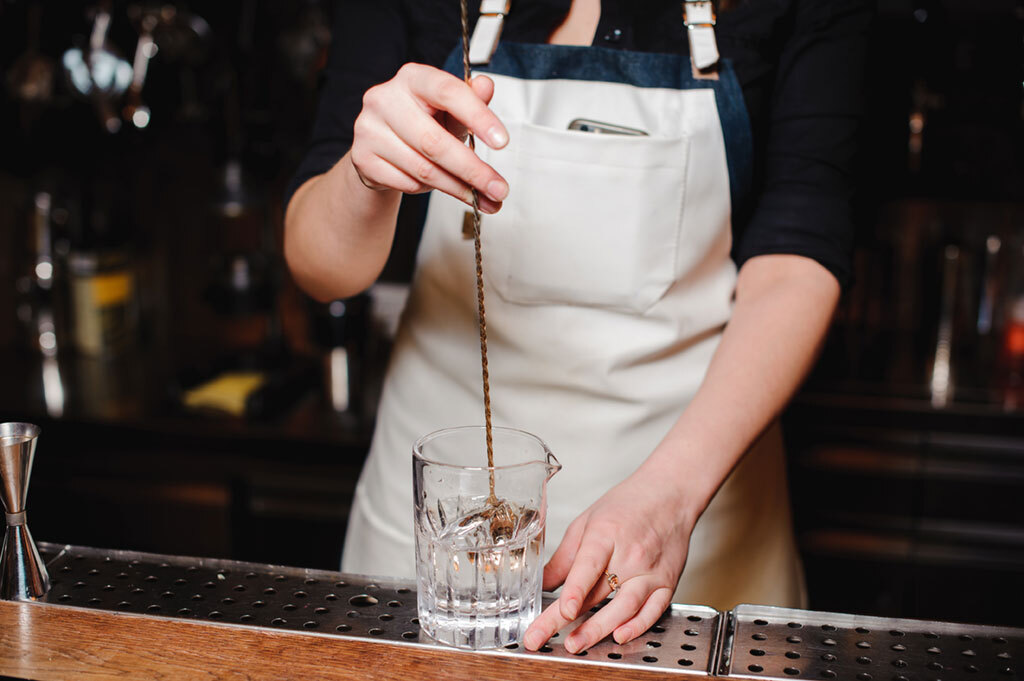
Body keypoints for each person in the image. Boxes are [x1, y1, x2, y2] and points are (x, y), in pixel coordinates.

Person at [284, 0, 869, 654]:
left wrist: (673, 495)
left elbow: (799, 255)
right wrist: (366, 174)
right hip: (438, 546)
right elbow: (319, 266)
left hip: (692, 515)